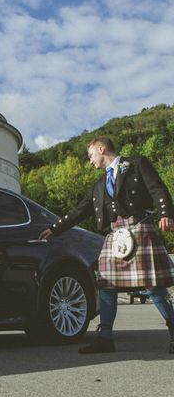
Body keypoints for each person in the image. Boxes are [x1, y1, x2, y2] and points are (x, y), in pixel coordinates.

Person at [39, 136, 174, 353]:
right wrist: (54, 229)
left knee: (153, 286)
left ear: (101, 149)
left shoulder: (137, 164)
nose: (90, 161)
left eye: (91, 155)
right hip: (116, 236)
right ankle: (105, 338)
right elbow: (79, 211)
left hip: (140, 228)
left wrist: (165, 213)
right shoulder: (99, 185)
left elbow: (158, 189)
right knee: (106, 284)